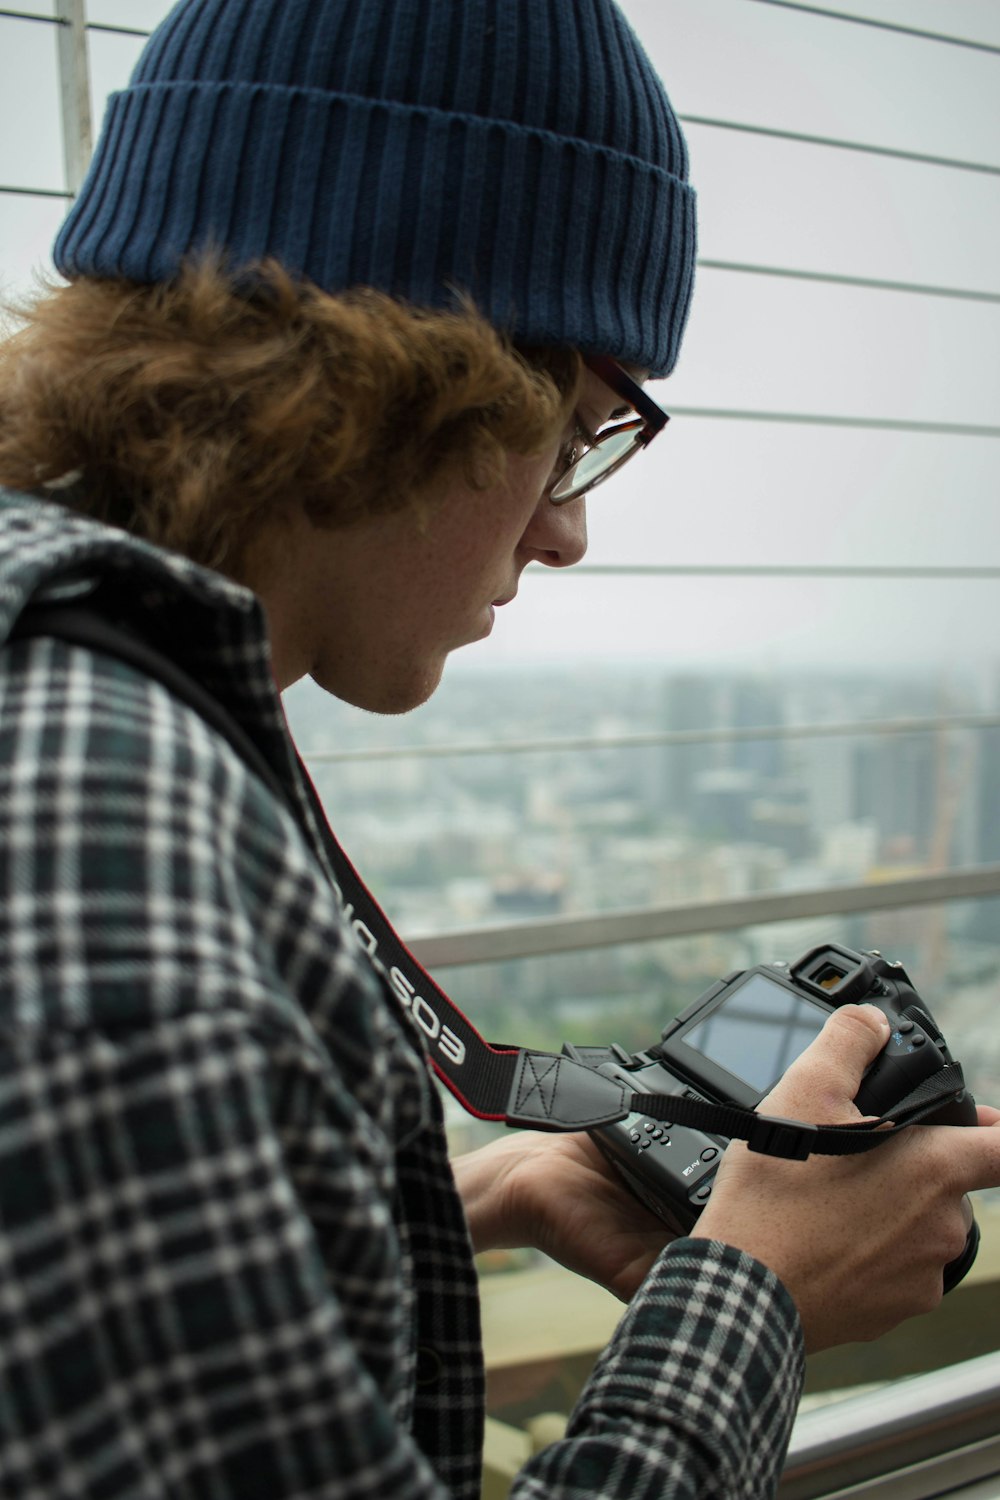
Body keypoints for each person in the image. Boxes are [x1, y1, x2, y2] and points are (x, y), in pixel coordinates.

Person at [0, 1, 997, 1496]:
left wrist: (450, 1201)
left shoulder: (85, 698)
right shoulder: (105, 861)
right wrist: (756, 1296)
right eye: (578, 428)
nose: (570, 528)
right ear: (397, 379)